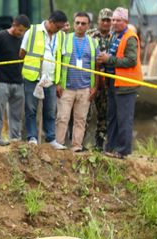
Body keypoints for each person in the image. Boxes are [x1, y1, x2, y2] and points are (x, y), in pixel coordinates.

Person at [96, 7, 141, 158]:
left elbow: (131, 60)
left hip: (125, 85)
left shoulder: (130, 37)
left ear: (125, 21)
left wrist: (109, 59)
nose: (114, 23)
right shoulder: (115, 36)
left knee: (124, 119)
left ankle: (122, 151)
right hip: (113, 83)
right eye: (113, 20)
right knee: (112, 118)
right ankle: (111, 148)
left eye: (117, 20)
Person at [20, 10, 67, 146]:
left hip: (51, 80)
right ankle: (32, 138)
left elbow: (60, 58)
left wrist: (59, 82)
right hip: (32, 77)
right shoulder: (32, 31)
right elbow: (22, 52)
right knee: (31, 109)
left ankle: (51, 138)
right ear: (50, 22)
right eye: (57, 27)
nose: (58, 30)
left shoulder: (61, 36)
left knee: (50, 110)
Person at [55, 12, 98, 152]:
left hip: (85, 88)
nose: (80, 26)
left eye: (83, 23)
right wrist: (58, 83)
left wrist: (95, 87)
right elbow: (58, 62)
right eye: (77, 23)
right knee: (62, 117)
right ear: (73, 24)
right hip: (67, 87)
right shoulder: (64, 39)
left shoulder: (93, 43)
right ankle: (59, 144)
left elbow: (97, 66)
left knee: (80, 119)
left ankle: (76, 146)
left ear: (88, 26)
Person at [0, 14, 29, 144]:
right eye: (20, 30)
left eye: (24, 31)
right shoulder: (1, 36)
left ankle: (15, 138)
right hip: (1, 81)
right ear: (14, 25)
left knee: (16, 114)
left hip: (18, 81)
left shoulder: (22, 40)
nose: (21, 33)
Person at [86, 8, 112, 151]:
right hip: (90, 79)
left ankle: (99, 145)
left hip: (107, 82)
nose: (106, 23)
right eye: (104, 20)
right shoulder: (89, 35)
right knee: (85, 114)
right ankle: (79, 144)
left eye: (109, 20)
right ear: (98, 21)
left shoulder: (114, 37)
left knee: (104, 115)